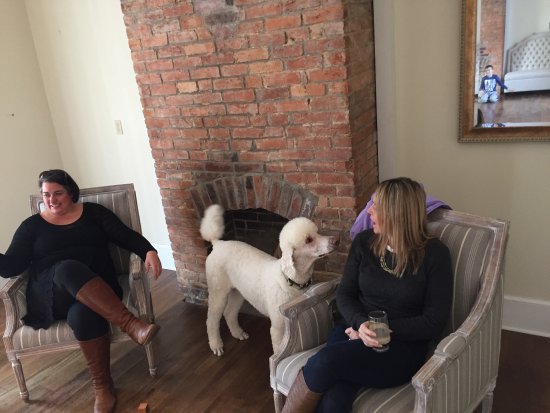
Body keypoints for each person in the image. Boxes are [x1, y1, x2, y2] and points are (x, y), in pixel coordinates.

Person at [281, 177, 453, 413]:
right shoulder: (364, 242)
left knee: (324, 362)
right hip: (352, 331)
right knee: (333, 401)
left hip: (399, 349)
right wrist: (361, 324)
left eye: (377, 206)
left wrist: (377, 330)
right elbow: (345, 294)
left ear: (397, 214)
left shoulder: (435, 255)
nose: (369, 211)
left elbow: (433, 323)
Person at [0, 170, 162, 413]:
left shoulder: (95, 213)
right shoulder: (31, 227)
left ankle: (102, 387)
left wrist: (149, 250)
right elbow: (12, 266)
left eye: (58, 193)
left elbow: (125, 237)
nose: (51, 200)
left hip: (99, 290)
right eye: (46, 195)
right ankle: (131, 324)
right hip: (52, 295)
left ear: (71, 192)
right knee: (67, 268)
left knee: (84, 314)